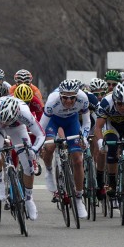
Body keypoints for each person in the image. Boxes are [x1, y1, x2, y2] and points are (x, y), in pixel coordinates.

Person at [0, 96, 45, 220]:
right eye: (3, 120)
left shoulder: (24, 112)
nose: (5, 124)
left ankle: (29, 198)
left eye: (7, 121)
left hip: (18, 128)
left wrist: (34, 149)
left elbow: (41, 134)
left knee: (28, 164)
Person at [38, 80, 90, 218]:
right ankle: (49, 171)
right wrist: (39, 144)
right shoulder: (52, 101)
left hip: (72, 122)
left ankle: (79, 198)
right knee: (49, 146)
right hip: (53, 121)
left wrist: (84, 137)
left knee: (78, 160)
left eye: (72, 98)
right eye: (65, 97)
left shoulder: (83, 98)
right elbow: (41, 127)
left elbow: (86, 122)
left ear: (76, 95)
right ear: (60, 95)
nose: (68, 101)